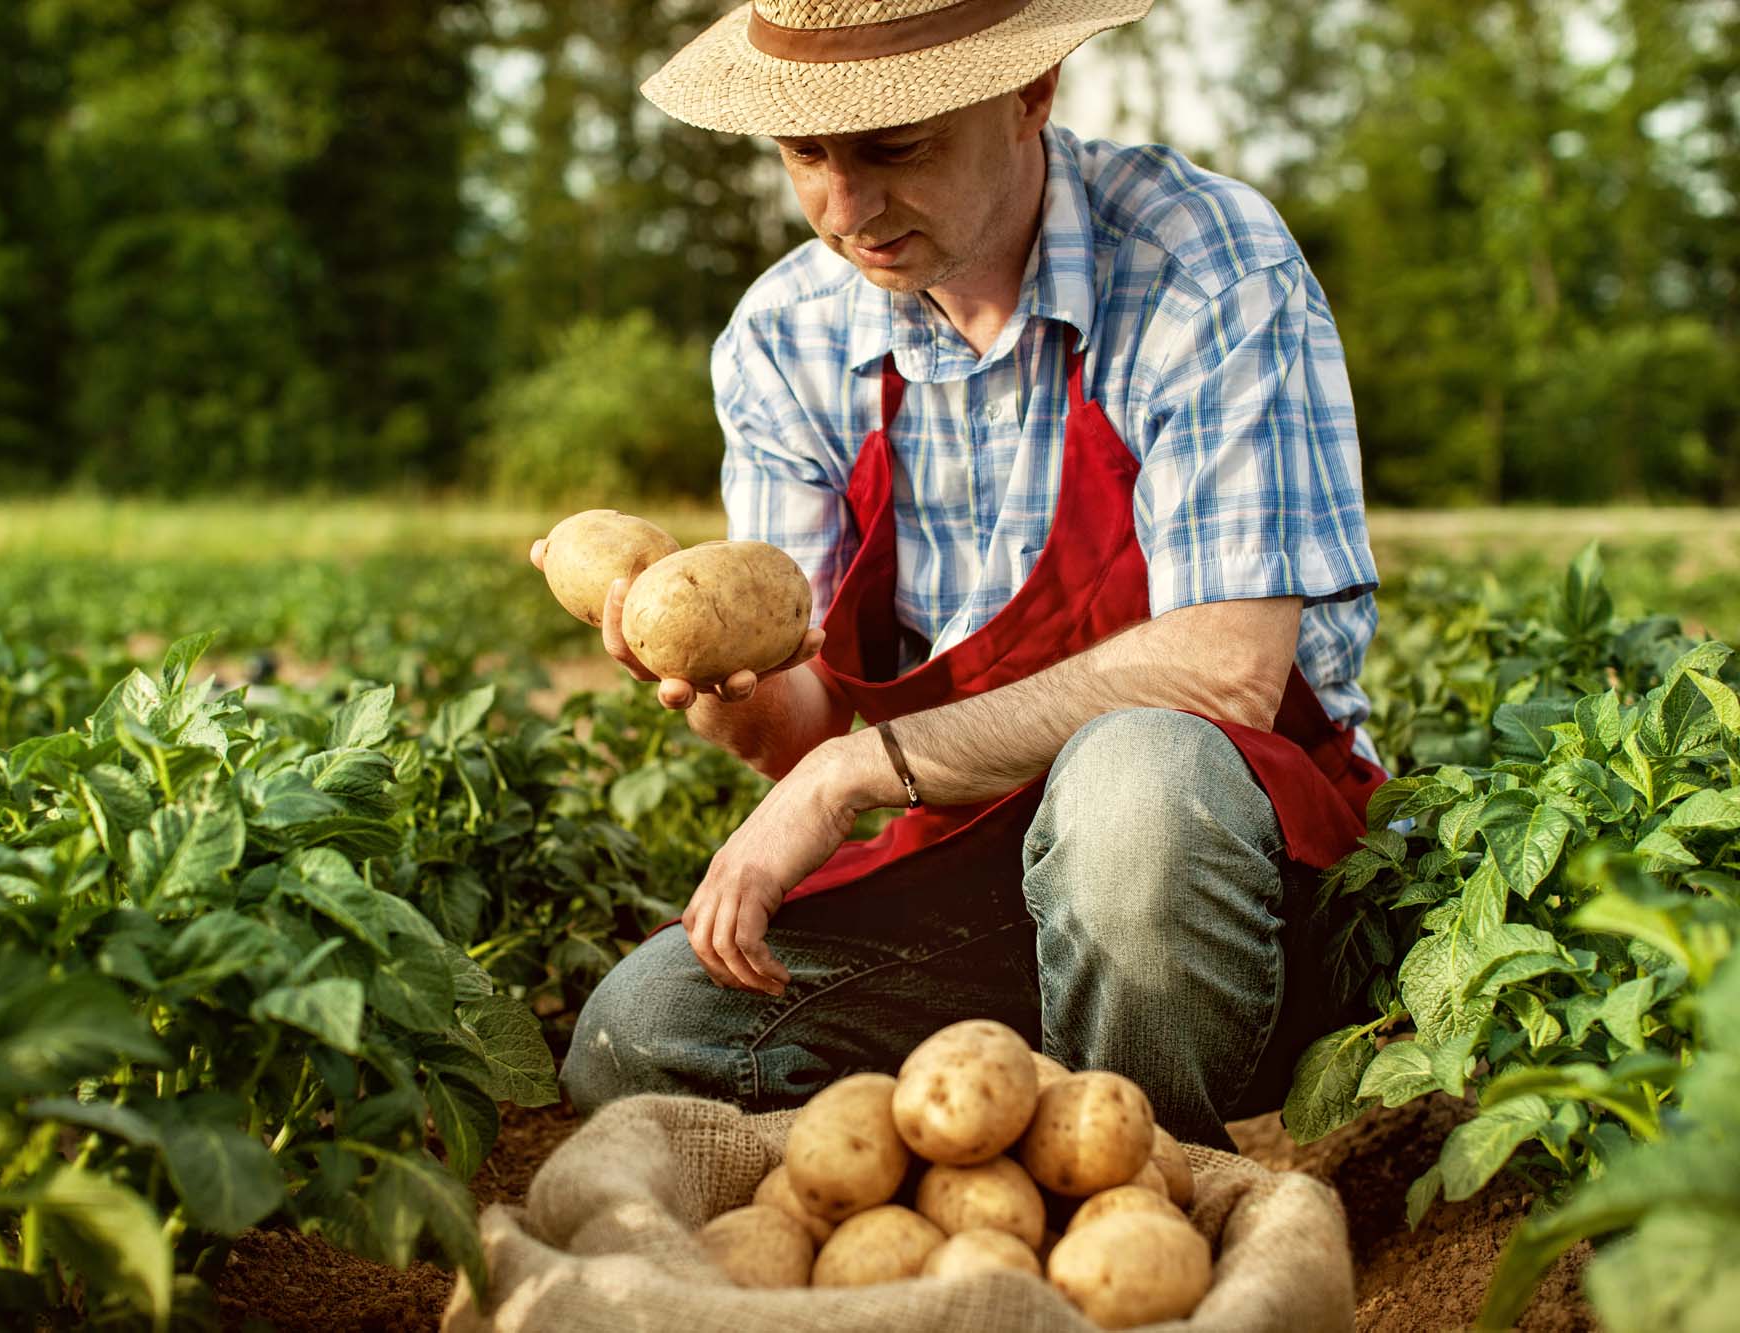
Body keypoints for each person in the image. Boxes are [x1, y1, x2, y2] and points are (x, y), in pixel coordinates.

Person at [544, 0, 1387, 1150]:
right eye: (806, 157)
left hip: (1242, 889)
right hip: (966, 876)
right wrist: (726, 693)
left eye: (895, 148)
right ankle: (976, 1153)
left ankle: (1133, 1181)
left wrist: (858, 768)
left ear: (1030, 93)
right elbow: (804, 722)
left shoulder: (1201, 266)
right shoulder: (782, 338)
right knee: (641, 1033)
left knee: (1132, 787)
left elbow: (1222, 670)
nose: (847, 212)